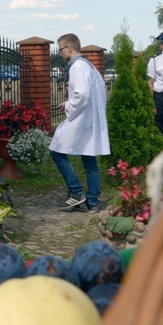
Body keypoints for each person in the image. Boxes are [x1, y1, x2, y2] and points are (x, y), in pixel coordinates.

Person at [49, 33, 110, 213]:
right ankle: (92, 202)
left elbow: (81, 95)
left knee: (56, 151)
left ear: (69, 48)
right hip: (90, 119)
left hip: (81, 119)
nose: (60, 53)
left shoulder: (78, 67)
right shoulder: (89, 66)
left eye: (60, 49)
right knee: (89, 159)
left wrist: (68, 105)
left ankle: (76, 192)